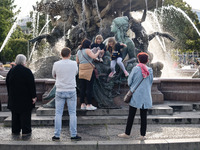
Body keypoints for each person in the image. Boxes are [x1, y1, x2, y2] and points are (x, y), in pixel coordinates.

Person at [118, 52, 153, 140]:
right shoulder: (150, 70)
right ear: (147, 60)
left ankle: (127, 133)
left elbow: (129, 81)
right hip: (146, 95)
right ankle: (142, 135)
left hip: (136, 95)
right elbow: (150, 82)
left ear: (138, 60)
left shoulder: (135, 69)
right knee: (143, 116)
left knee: (131, 115)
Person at [52, 47, 81, 141]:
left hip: (60, 90)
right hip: (71, 89)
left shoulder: (56, 64)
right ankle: (73, 134)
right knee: (72, 113)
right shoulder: (74, 63)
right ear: (69, 54)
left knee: (58, 113)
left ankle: (56, 135)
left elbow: (53, 75)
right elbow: (76, 73)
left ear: (61, 54)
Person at [6, 54, 37, 137]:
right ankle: (26, 132)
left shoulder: (11, 71)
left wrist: (10, 95)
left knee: (15, 115)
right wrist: (34, 96)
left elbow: (7, 84)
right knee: (25, 116)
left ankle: (15, 131)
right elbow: (31, 85)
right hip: (25, 98)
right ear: (24, 61)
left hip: (14, 98)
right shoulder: (27, 71)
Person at [76, 38, 102, 110]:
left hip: (81, 70)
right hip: (89, 71)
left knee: (82, 88)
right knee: (89, 88)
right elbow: (94, 56)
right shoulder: (88, 50)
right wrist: (98, 51)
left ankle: (82, 104)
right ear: (88, 45)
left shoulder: (79, 51)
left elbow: (77, 62)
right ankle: (89, 104)